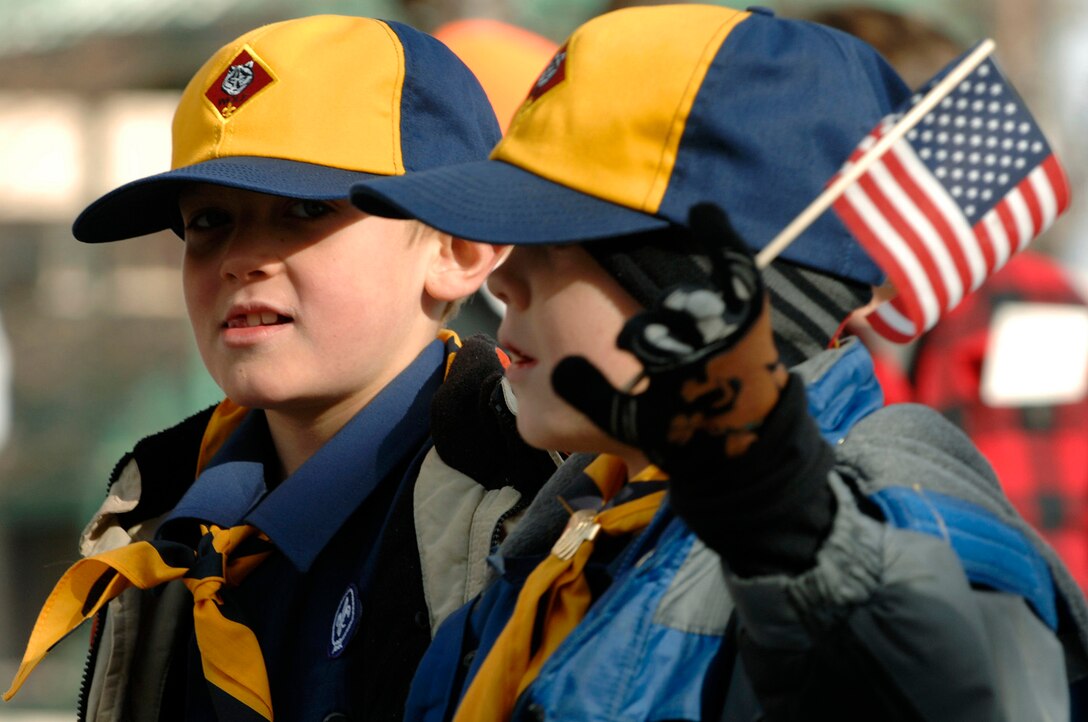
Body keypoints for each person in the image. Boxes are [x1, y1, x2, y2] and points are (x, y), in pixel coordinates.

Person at [350, 4, 1088, 720]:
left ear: (700, 285)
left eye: (550, 236)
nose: (502, 277)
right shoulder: (576, 521)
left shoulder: (882, 517)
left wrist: (804, 552)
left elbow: (970, 693)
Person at [3, 14, 558, 721]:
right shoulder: (168, 515)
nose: (241, 258)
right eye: (207, 222)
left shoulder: (537, 500)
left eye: (302, 209)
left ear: (458, 249)